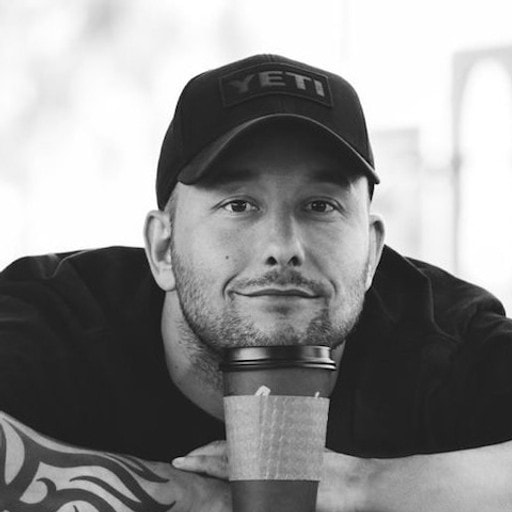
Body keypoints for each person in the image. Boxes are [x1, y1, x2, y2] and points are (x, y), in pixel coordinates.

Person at [1, 54, 512, 511]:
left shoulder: (444, 338)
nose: (283, 246)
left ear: (373, 251)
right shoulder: (60, 317)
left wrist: (361, 486)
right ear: (162, 248)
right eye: (239, 204)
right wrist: (197, 499)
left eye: (321, 206)